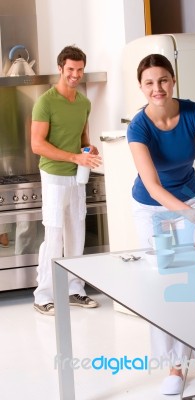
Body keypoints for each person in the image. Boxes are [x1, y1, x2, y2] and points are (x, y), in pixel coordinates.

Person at [127, 54, 195, 395]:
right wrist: (189, 214)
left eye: (163, 80)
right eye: (150, 83)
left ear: (173, 80)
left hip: (192, 200)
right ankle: (175, 365)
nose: (158, 88)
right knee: (165, 283)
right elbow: (153, 185)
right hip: (151, 207)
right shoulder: (138, 127)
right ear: (141, 87)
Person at [31, 45, 102, 316]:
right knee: (54, 234)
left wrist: (89, 150)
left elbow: (83, 140)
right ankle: (44, 294)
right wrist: (74, 158)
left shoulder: (84, 103)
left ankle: (75, 290)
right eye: (70, 69)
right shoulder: (45, 102)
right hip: (53, 176)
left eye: (80, 69)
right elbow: (37, 145)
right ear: (60, 68)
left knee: (76, 232)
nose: (75, 74)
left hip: (77, 176)